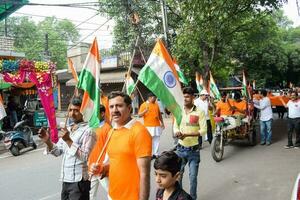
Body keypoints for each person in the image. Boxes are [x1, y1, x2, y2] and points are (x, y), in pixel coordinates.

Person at [91, 91, 152, 200]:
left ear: (129, 108)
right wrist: (100, 169)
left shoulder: (139, 132)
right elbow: (115, 163)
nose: (114, 110)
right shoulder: (112, 131)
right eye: (111, 106)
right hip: (112, 195)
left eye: (119, 106)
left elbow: (144, 174)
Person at [38, 97, 96, 200]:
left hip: (79, 181)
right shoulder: (68, 129)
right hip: (66, 179)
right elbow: (57, 152)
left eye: (76, 110)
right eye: (70, 110)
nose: (72, 114)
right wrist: (47, 141)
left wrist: (68, 140)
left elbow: (84, 157)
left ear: (83, 112)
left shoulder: (89, 131)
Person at [173, 87, 207, 200]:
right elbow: (175, 126)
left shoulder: (199, 112)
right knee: (178, 177)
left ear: (193, 97)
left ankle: (192, 198)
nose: (185, 99)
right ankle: (180, 197)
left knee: (193, 178)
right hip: (180, 150)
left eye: (187, 96)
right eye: (183, 96)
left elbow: (203, 130)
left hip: (194, 151)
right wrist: (177, 132)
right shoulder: (179, 110)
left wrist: (188, 135)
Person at [88, 105, 112, 200]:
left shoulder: (108, 129)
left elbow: (109, 150)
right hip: (92, 167)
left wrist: (104, 166)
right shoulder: (91, 127)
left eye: (95, 113)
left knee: (111, 192)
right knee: (90, 194)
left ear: (102, 114)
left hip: (102, 167)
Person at [138, 92, 165, 159]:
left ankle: (155, 154)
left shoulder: (156, 104)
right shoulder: (144, 105)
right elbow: (139, 115)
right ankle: (149, 154)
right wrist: (145, 111)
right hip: (148, 126)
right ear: (150, 98)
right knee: (149, 140)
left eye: (155, 98)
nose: (155, 99)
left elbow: (159, 115)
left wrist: (162, 123)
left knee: (157, 140)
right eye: (154, 98)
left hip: (157, 125)